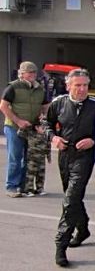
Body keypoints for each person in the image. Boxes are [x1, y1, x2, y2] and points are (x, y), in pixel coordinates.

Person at [42, 69, 95, 267]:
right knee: (72, 196)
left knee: (70, 199)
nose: (82, 89)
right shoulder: (59, 103)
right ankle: (83, 228)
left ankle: (61, 244)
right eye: (78, 85)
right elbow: (46, 123)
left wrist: (93, 140)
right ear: (68, 86)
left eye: (85, 85)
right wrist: (54, 138)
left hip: (85, 157)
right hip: (65, 154)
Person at [1, 61, 47, 197]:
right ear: (22, 74)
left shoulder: (40, 88)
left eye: (34, 72)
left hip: (31, 128)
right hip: (13, 127)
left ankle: (24, 186)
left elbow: (45, 106)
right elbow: (3, 106)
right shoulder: (13, 87)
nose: (33, 74)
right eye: (29, 72)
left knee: (28, 158)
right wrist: (18, 121)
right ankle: (12, 187)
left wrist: (42, 120)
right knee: (15, 157)